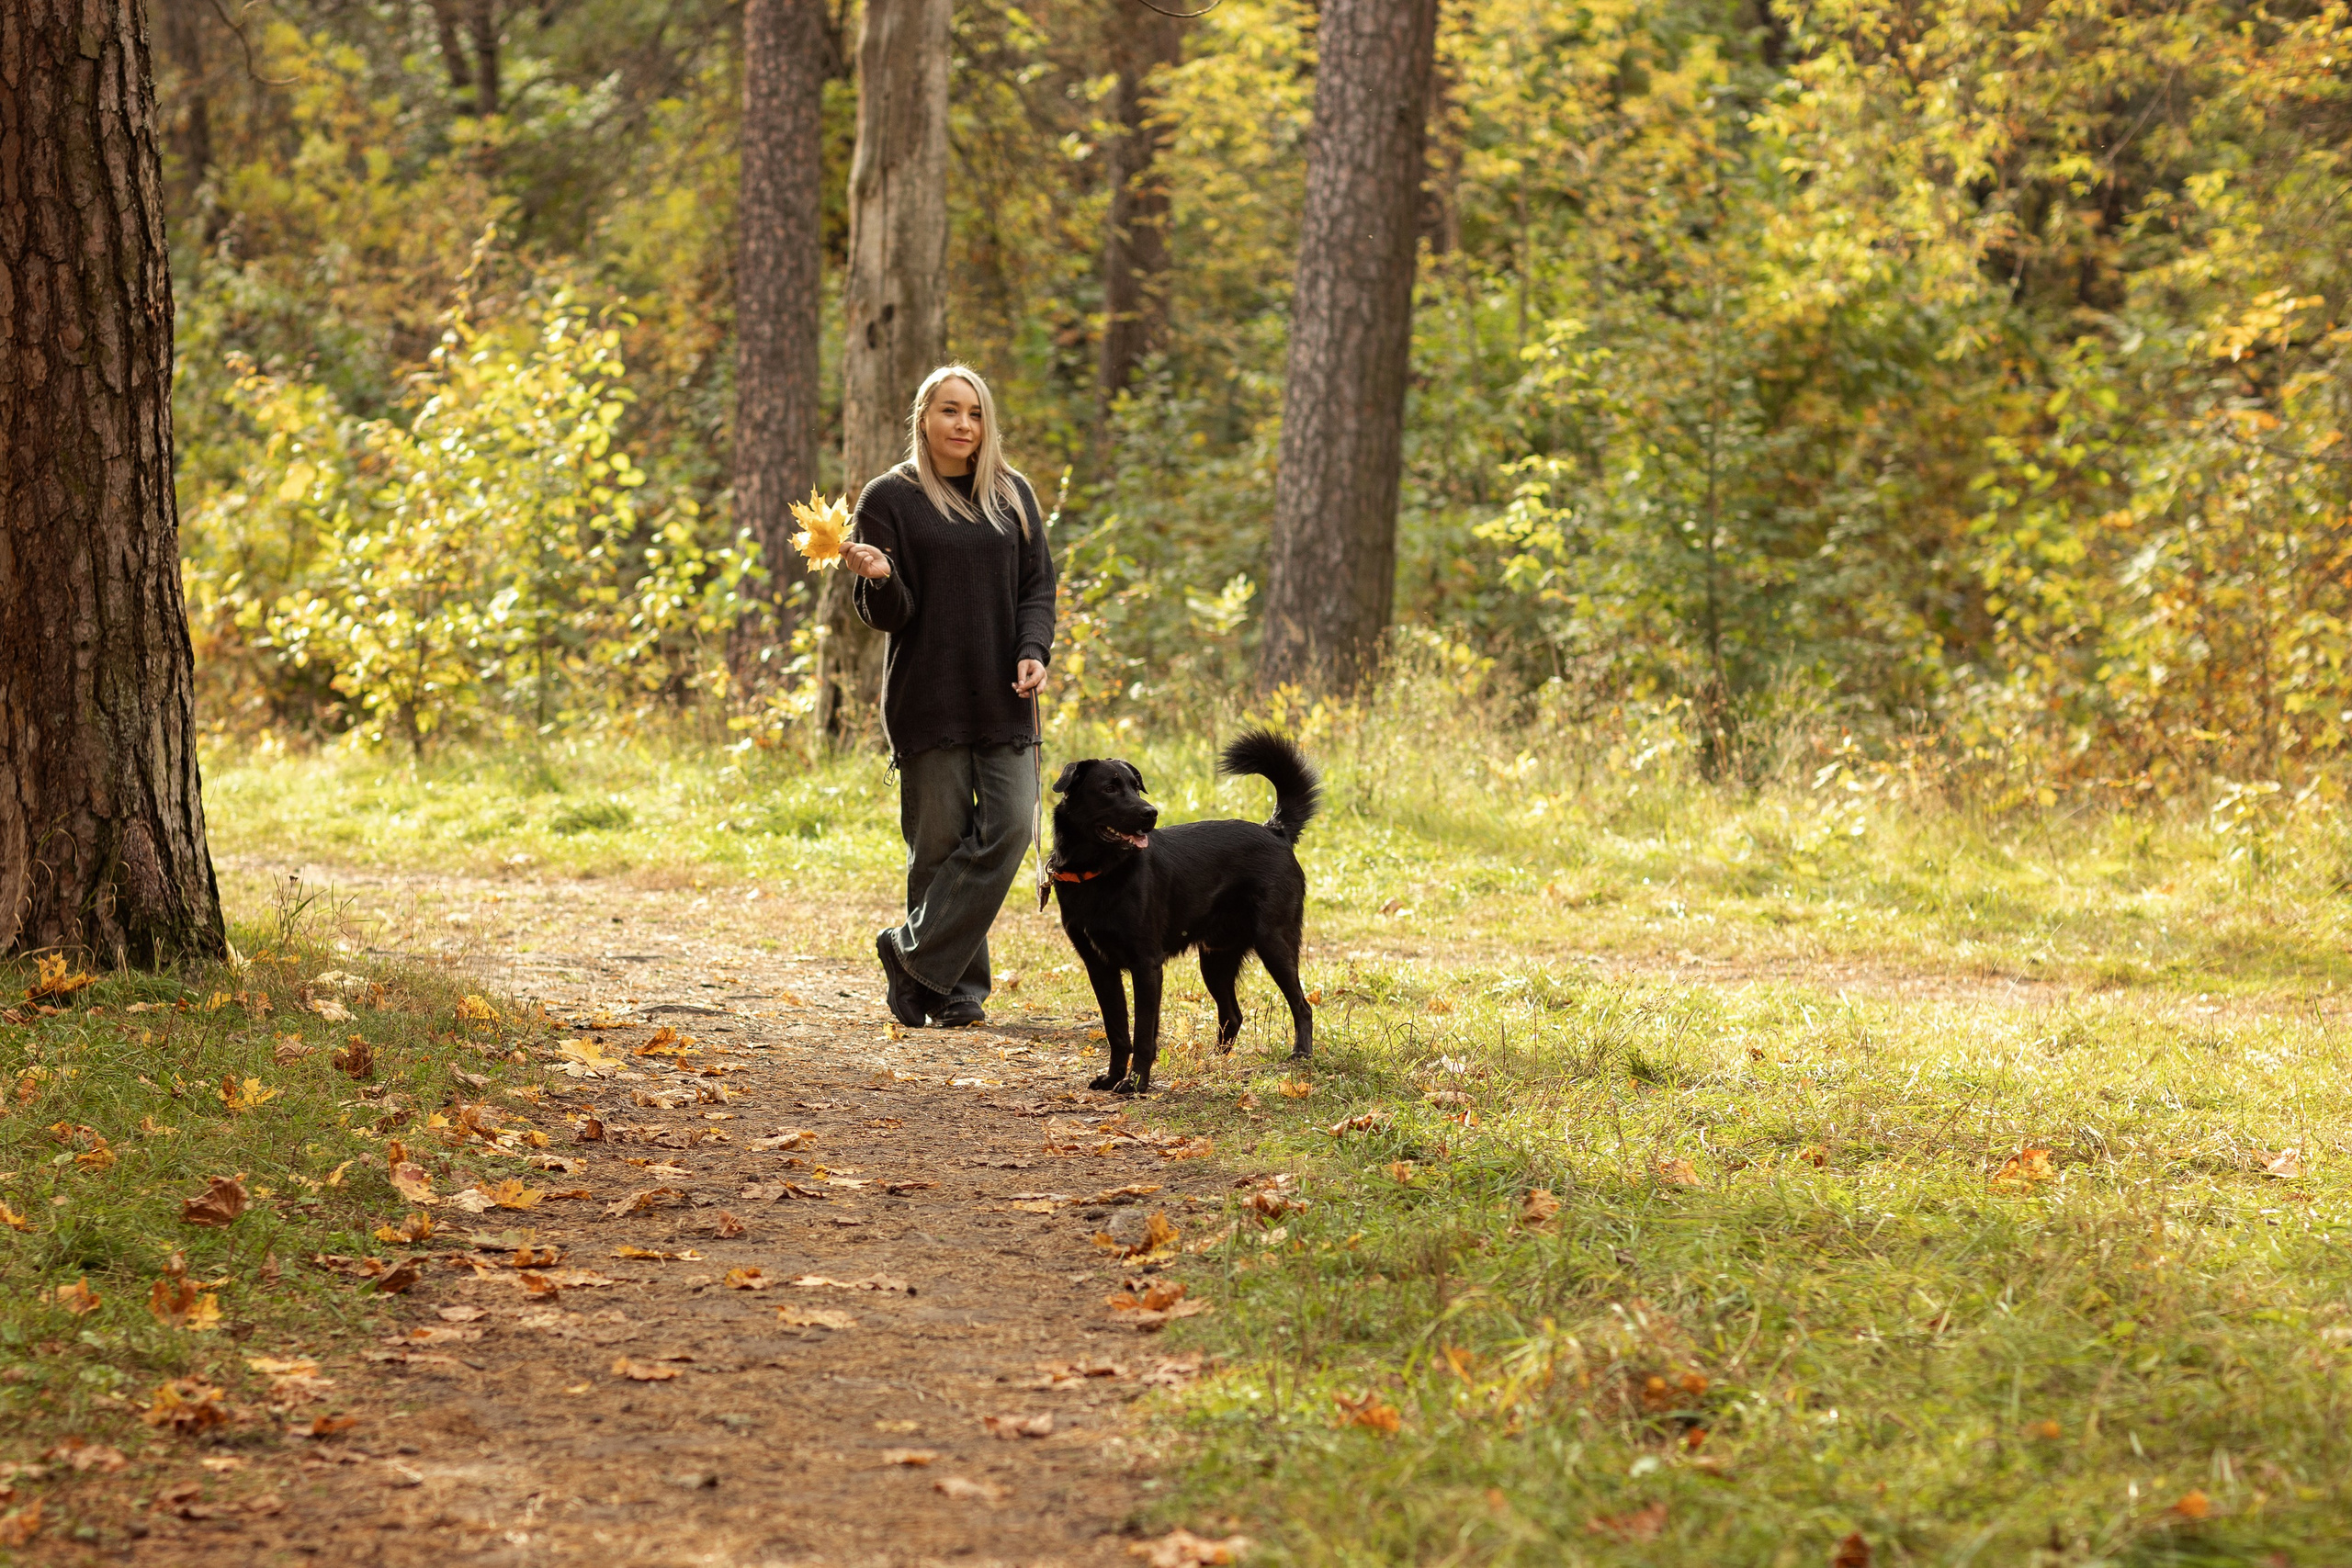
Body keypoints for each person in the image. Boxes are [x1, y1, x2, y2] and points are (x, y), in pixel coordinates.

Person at [842, 364, 1057, 1028]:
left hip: (1003, 694)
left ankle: (907, 952)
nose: (964, 425)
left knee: (1011, 828)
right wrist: (878, 577)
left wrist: (1033, 649)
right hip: (928, 696)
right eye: (949, 411)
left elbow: (1037, 587)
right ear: (923, 418)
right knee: (937, 845)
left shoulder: (1012, 494)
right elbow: (887, 615)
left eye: (975, 413)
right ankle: (954, 991)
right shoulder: (890, 498)